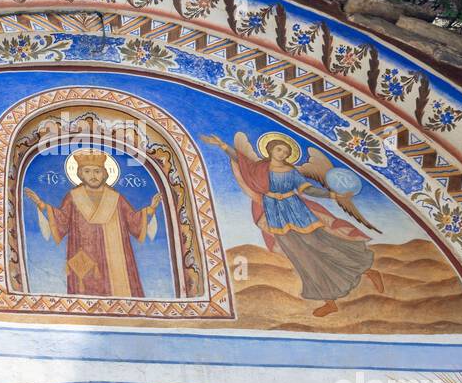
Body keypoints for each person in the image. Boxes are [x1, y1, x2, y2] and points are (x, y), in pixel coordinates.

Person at [203, 131, 383, 317]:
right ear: (271, 150)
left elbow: (309, 190)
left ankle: (368, 271)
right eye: (279, 149)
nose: (282, 153)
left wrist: (333, 195)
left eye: (285, 152)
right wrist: (222, 145)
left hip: (298, 213)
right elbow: (243, 163)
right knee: (301, 259)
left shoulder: (291, 172)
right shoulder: (261, 167)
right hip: (275, 216)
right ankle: (329, 301)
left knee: (323, 245)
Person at [24, 149, 161, 298]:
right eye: (87, 171)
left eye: (97, 171)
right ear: (81, 174)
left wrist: (151, 209)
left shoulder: (115, 198)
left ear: (104, 174)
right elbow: (61, 219)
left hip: (116, 258)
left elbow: (133, 220)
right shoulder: (73, 197)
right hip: (84, 254)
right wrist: (42, 205)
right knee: (85, 287)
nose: (93, 176)